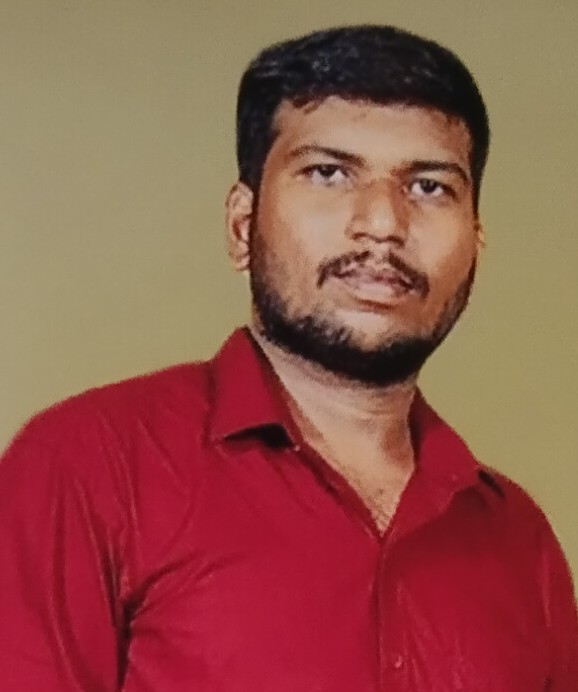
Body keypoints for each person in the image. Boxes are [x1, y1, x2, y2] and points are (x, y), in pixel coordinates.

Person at [0, 24, 576, 692]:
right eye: (329, 173)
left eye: (428, 187)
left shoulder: (517, 539)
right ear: (242, 225)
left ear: (476, 243)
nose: (383, 223)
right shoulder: (88, 468)